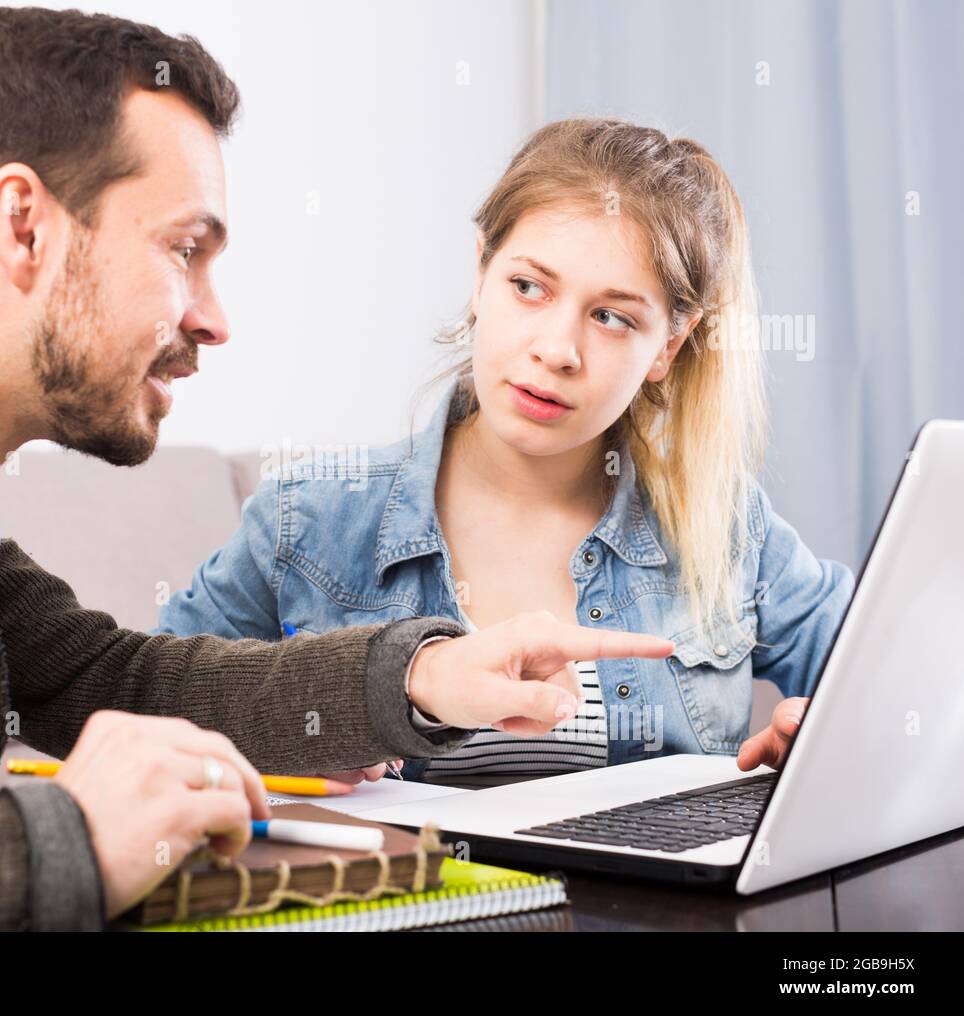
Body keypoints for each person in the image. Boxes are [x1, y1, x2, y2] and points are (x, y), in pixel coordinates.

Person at [0, 9, 676, 930]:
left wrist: (418, 676)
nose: (214, 317)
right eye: (185, 248)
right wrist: (57, 843)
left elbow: (111, 677)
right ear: (23, 226)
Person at [158, 118, 853, 789]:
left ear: (667, 347)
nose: (556, 350)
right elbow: (147, 710)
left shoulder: (728, 526)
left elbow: (897, 685)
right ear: (481, 276)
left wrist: (824, 732)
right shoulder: (304, 519)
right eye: (529, 286)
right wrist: (278, 739)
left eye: (613, 317)